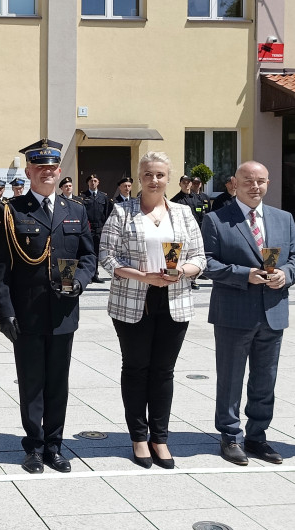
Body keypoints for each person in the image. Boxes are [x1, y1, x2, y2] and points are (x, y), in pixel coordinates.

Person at [0, 139, 96, 474]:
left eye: (52, 168)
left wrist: (79, 279)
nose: (47, 173)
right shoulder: (11, 212)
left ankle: (55, 445)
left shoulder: (75, 210)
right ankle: (34, 446)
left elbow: (88, 256)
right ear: (29, 171)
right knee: (32, 381)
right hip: (27, 313)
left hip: (63, 313)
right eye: (40, 168)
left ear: (59, 171)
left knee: (58, 383)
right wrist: (3, 312)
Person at [99, 151, 205, 469]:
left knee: (163, 372)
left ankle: (160, 438)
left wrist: (182, 271)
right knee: (135, 369)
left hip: (174, 301)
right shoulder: (122, 212)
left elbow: (200, 257)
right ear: (139, 178)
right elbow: (107, 255)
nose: (154, 180)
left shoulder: (184, 214)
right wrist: (140, 275)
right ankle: (139, 438)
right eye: (148, 175)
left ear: (168, 177)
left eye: (159, 174)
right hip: (133, 301)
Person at [201, 161, 295, 466]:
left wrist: (285, 273)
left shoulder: (283, 219)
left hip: (273, 310)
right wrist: (242, 273)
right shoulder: (217, 219)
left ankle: (258, 435)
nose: (255, 187)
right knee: (231, 378)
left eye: (261, 181)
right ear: (234, 183)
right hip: (234, 312)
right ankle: (230, 436)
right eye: (248, 181)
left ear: (268, 183)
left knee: (265, 379)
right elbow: (207, 263)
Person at [82, 174, 112, 283]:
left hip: (99, 229)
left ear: (98, 182)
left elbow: (107, 212)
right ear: (88, 183)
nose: (92, 182)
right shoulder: (83, 196)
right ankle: (88, 275)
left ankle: (95, 274)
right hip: (87, 229)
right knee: (88, 252)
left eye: (95, 180)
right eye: (90, 181)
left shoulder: (103, 197)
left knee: (96, 253)